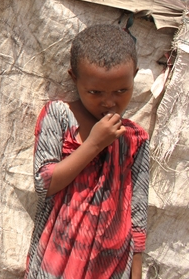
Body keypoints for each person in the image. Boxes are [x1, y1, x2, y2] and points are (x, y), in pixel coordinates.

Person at [25, 24, 149, 279]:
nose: (109, 102)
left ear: (134, 76)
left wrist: (136, 271)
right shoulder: (59, 116)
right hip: (58, 259)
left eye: (121, 91)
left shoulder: (135, 137)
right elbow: (44, 183)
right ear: (74, 78)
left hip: (113, 262)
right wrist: (94, 144)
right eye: (95, 92)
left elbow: (138, 210)